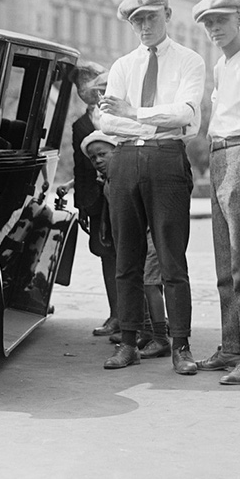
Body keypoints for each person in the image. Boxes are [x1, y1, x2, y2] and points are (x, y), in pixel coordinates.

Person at [99, 0, 205, 374]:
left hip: (166, 159)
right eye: (136, 20)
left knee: (171, 258)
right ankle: (128, 342)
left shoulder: (190, 61)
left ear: (167, 15)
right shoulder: (123, 65)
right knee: (127, 257)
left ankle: (181, 346)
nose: (144, 26)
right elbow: (107, 120)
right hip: (125, 159)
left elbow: (185, 114)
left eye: (151, 17)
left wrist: (134, 111)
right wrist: (142, 114)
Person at [191, 0, 240, 384]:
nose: (214, 29)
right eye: (208, 23)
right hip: (218, 154)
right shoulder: (221, 66)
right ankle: (231, 347)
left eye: (222, 21)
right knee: (224, 263)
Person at [81, 130, 169, 359]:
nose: (98, 160)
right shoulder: (109, 181)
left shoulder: (128, 176)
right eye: (93, 158)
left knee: (150, 284)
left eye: (103, 154)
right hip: (136, 238)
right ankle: (147, 331)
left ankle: (161, 338)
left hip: (151, 237)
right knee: (138, 282)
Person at [60, 62, 119, 337]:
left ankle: (146, 318)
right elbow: (80, 167)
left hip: (122, 194)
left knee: (135, 256)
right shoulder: (79, 125)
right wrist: (82, 203)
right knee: (106, 255)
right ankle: (116, 315)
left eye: (90, 81)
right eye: (80, 85)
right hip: (96, 202)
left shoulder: (120, 114)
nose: (85, 89)